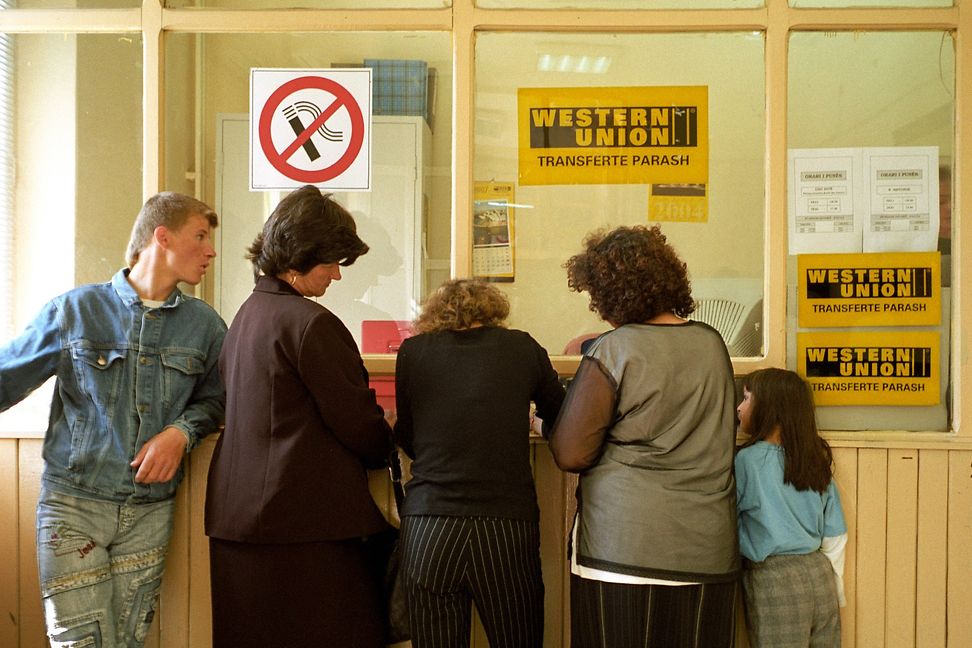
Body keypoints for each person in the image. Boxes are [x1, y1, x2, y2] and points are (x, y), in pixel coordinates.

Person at [0, 192, 226, 647]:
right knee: (80, 644)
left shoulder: (205, 325)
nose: (210, 250)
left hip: (151, 510)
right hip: (73, 508)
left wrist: (180, 434)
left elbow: (218, 400)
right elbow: (5, 380)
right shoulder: (74, 312)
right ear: (161, 237)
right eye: (199, 236)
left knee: (126, 642)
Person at [204, 185, 394, 648]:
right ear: (303, 254)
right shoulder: (311, 323)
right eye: (332, 262)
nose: (337, 275)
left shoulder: (246, 317)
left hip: (238, 521)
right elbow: (358, 425)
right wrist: (389, 436)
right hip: (306, 527)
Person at [548, 224, 739, 648]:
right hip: (706, 550)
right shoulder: (712, 344)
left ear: (613, 293)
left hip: (622, 548)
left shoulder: (615, 349)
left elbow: (571, 452)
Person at [394, 278, 565, 648]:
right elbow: (562, 415)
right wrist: (534, 421)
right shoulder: (522, 347)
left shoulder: (413, 352)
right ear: (493, 311)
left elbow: (406, 436)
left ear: (437, 314)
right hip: (504, 526)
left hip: (429, 524)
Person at [735, 368, 847, 648]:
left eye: (747, 398)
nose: (739, 406)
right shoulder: (813, 459)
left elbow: (727, 522)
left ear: (769, 409)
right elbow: (835, 533)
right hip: (821, 577)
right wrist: (837, 589)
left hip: (774, 579)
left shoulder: (747, 461)